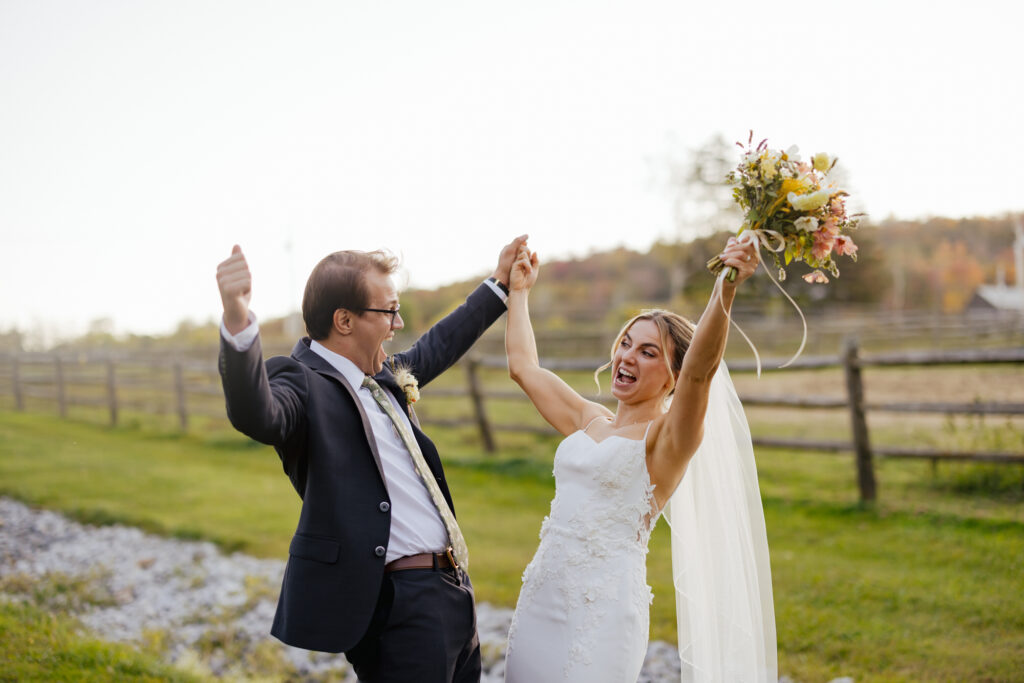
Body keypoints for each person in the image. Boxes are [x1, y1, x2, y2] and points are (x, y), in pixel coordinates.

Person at [215, 236, 526, 683]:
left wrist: (500, 283)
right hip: (399, 604)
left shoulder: (382, 375)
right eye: (388, 311)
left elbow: (441, 343)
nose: (397, 323)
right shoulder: (301, 383)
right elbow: (255, 412)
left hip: (453, 590)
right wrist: (237, 319)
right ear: (344, 320)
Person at [503, 237, 777, 682]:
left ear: (672, 377)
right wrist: (519, 291)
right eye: (626, 344)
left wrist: (726, 284)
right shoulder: (586, 419)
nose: (627, 357)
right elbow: (524, 367)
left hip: (604, 612)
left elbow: (701, 370)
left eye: (648, 352)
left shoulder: (666, 441)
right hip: (540, 599)